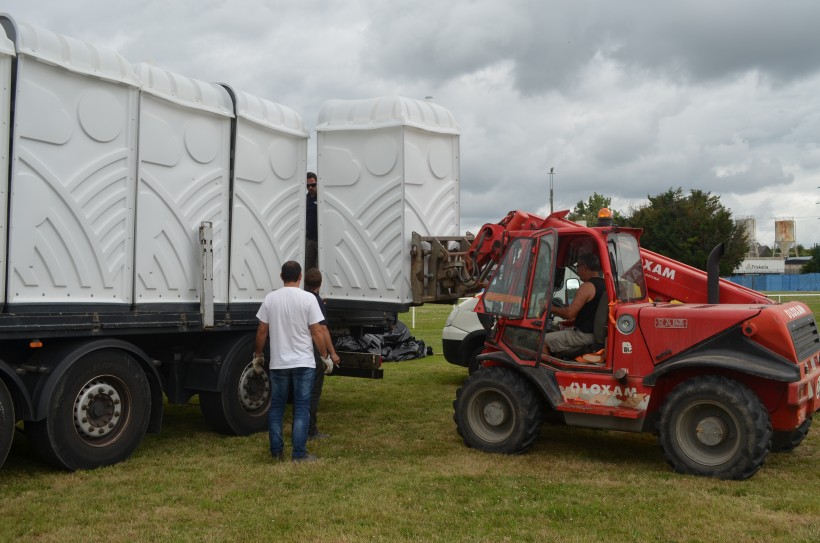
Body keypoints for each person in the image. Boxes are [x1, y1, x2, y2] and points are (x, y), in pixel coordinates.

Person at [254, 261, 328, 462]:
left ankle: (277, 451)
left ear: (281, 276)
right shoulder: (309, 299)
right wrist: (324, 355)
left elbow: (262, 330)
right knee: (302, 408)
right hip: (304, 361)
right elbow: (317, 330)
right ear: (300, 276)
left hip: (279, 363)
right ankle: (299, 454)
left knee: (276, 407)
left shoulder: (271, 298)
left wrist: (258, 353)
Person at [544, 253, 605, 357]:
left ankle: (546, 371)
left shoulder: (587, 286)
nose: (577, 271)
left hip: (583, 335)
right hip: (593, 334)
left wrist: (549, 308)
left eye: (578, 267)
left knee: (542, 340)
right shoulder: (605, 285)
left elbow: (569, 313)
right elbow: (592, 313)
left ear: (585, 267)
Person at [304, 268, 340, 439]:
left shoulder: (304, 298)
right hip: (313, 351)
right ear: (320, 284)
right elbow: (322, 329)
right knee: (314, 392)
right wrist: (330, 354)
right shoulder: (315, 301)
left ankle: (302, 427)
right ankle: (311, 430)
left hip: (301, 350)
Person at [305, 172, 318, 271]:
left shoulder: (322, 197)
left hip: (322, 239)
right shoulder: (304, 199)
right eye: (308, 185)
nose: (310, 188)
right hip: (309, 238)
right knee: (308, 267)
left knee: (322, 266)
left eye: (313, 185)